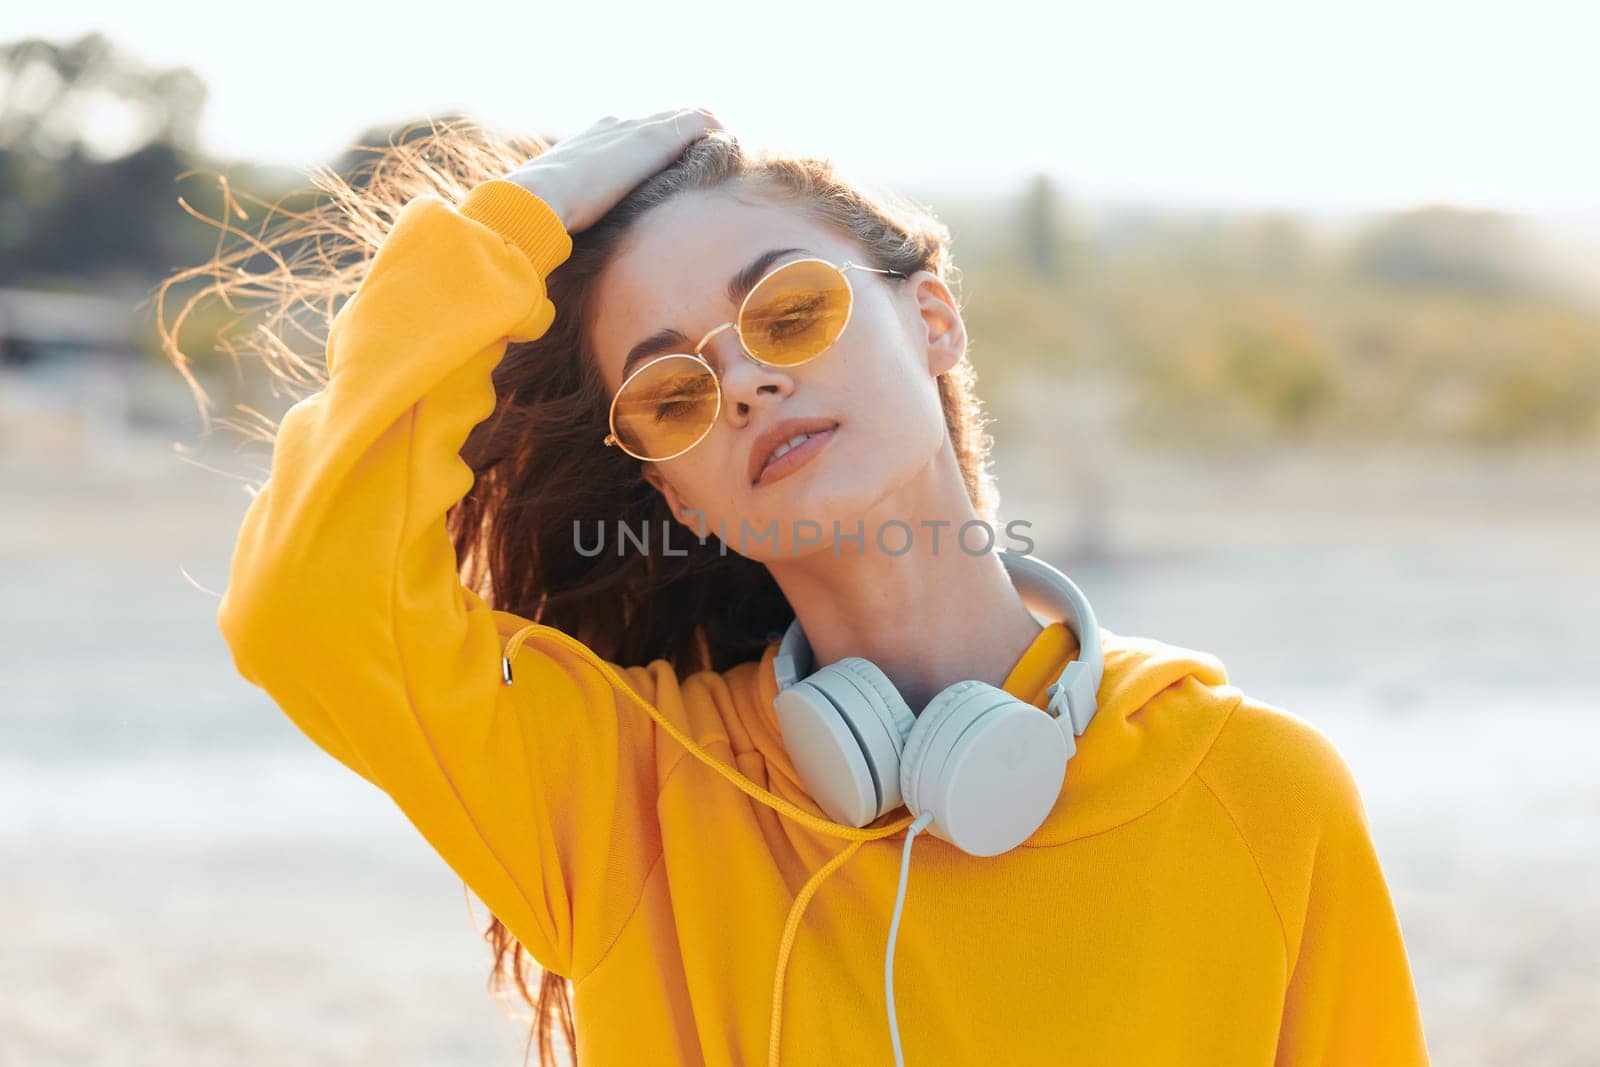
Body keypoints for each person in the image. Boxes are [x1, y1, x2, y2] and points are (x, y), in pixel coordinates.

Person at [172, 108, 1430, 1065]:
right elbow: (305, 600)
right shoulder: (632, 796)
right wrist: (515, 222)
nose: (745, 384)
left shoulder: (1257, 789)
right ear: (674, 491)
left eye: (788, 311)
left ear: (932, 317)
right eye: (671, 391)